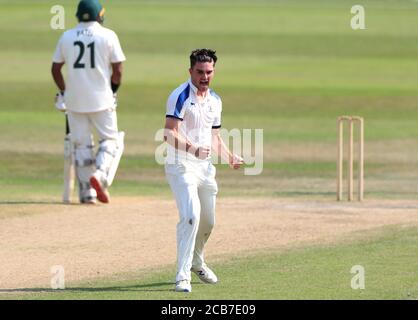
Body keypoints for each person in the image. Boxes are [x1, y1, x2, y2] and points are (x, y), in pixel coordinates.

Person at [164, 48, 244, 292]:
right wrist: (193, 149)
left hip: (205, 168)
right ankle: (182, 275)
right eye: (199, 72)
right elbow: (169, 132)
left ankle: (197, 261)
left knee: (208, 221)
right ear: (190, 71)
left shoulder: (215, 101)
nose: (204, 76)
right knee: (191, 216)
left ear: (214, 72)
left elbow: (215, 138)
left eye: (209, 72)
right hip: (180, 164)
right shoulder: (179, 96)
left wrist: (230, 157)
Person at [51, 0, 126, 204]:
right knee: (110, 140)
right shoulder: (108, 35)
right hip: (102, 98)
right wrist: (113, 91)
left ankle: (87, 194)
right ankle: (100, 175)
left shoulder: (66, 36)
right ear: (100, 15)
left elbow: (55, 69)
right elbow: (118, 70)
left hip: (74, 101)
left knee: (82, 145)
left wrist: (64, 92)